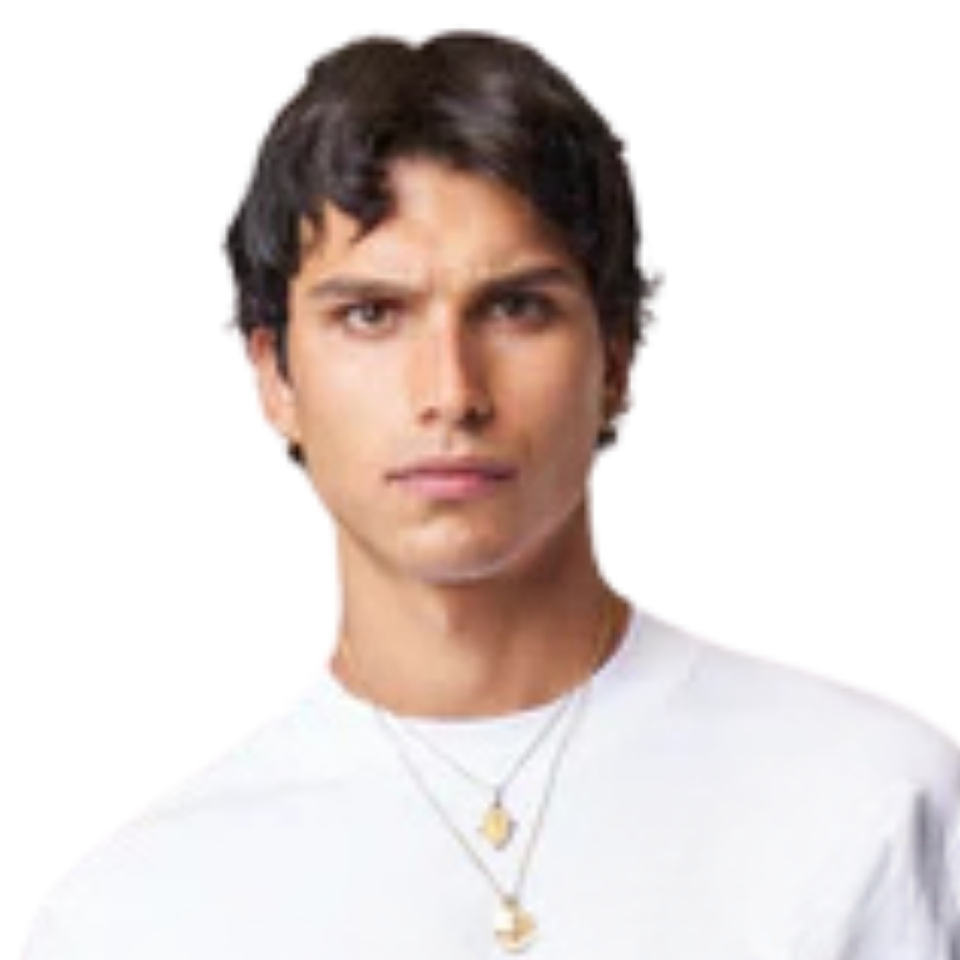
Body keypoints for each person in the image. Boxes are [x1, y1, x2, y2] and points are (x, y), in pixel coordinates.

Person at [23, 30, 960, 960]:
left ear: (615, 358)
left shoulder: (870, 809)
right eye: (371, 315)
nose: (451, 391)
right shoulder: (135, 917)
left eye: (516, 308)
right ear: (275, 376)